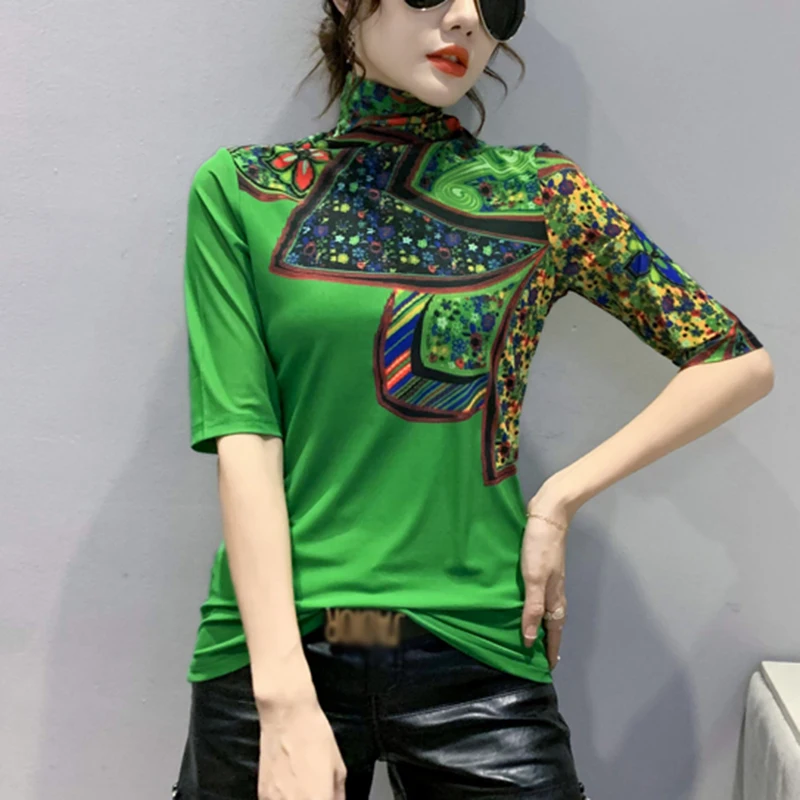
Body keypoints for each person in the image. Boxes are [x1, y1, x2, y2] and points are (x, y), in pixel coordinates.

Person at [173, 0, 775, 798]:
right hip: (280, 649)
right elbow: (246, 439)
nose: (465, 20)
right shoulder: (243, 190)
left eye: (496, 4)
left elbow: (734, 360)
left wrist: (557, 502)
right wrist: (284, 702)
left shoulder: (542, 195)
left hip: (477, 649)